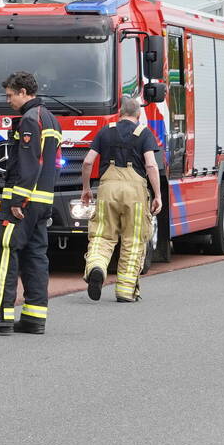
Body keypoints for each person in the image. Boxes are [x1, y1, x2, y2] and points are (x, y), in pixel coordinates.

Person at [0, 71, 61, 335]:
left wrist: (18, 199)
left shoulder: (30, 120)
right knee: (35, 256)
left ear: (23, 92)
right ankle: (34, 317)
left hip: (23, 201)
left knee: (4, 253)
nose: (8, 100)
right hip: (43, 200)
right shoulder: (51, 119)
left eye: (10, 95)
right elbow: (53, 164)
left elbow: (29, 163)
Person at [80, 95, 162, 302]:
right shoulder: (144, 134)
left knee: (102, 236)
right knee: (133, 240)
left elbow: (88, 162)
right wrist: (158, 195)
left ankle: (96, 267)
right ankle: (125, 291)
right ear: (138, 114)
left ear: (120, 112)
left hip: (107, 189)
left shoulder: (106, 131)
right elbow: (151, 165)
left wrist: (86, 188)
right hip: (134, 193)